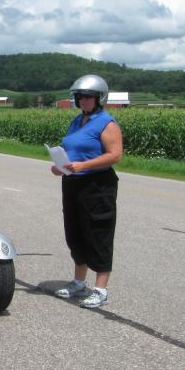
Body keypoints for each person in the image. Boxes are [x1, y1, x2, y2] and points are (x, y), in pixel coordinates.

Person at [51, 74, 123, 308]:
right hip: (73, 183)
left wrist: (84, 165)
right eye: (80, 97)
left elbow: (115, 155)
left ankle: (100, 289)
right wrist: (60, 166)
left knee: (98, 233)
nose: (83, 101)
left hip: (98, 185)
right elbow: (70, 149)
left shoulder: (106, 123)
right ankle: (78, 283)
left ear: (99, 98)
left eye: (88, 97)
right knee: (75, 232)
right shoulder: (76, 122)